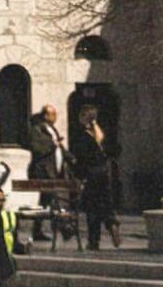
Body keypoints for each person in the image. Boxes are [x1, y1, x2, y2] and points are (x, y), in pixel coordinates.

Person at [73, 103, 121, 249]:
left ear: (83, 118)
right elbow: (115, 149)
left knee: (92, 208)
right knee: (106, 203)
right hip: (105, 173)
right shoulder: (102, 133)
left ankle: (94, 241)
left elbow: (81, 158)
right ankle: (111, 222)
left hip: (91, 174)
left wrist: (79, 176)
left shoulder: (81, 136)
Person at [29, 102, 71, 241]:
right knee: (51, 200)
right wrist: (54, 145)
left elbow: (60, 148)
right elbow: (37, 149)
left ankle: (40, 229)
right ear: (45, 115)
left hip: (55, 171)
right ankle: (63, 227)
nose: (55, 116)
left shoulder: (52, 129)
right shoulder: (37, 130)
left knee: (46, 201)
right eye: (52, 114)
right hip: (44, 172)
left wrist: (71, 158)